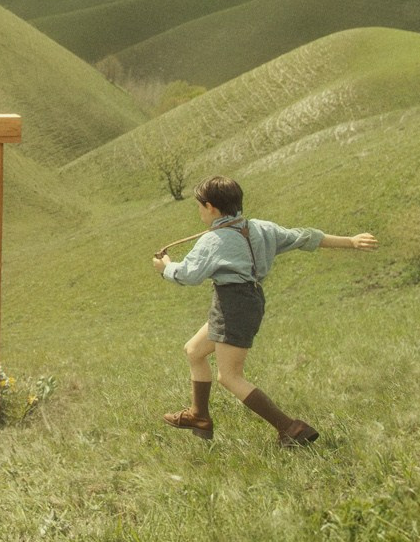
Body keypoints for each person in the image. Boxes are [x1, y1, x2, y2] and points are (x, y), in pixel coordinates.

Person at [154, 175, 376, 445]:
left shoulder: (212, 241)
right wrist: (349, 241)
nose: (199, 212)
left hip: (232, 305)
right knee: (194, 350)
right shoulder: (261, 229)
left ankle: (291, 429)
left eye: (199, 206)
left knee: (230, 376)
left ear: (211, 207)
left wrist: (165, 268)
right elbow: (304, 237)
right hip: (249, 301)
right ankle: (199, 415)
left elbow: (189, 275)